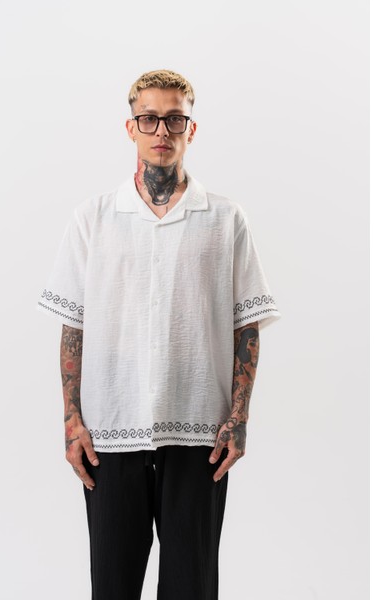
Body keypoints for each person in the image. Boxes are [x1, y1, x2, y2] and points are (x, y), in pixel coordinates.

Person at [37, 69, 281, 600]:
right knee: (112, 586)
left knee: (192, 587)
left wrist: (238, 419)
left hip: (199, 434)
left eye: (174, 119)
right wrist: (72, 421)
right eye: (149, 118)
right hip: (110, 429)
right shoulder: (93, 218)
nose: (162, 131)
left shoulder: (225, 219)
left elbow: (247, 326)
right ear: (131, 128)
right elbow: (73, 326)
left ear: (191, 128)